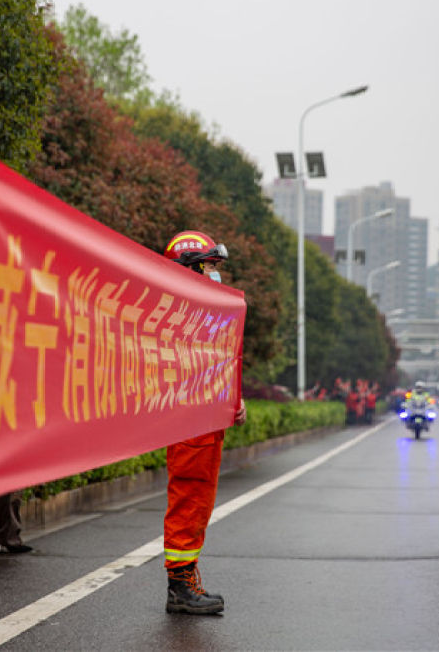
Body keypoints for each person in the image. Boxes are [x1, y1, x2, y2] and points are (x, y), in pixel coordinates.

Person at [162, 230, 247, 615]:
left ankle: (186, 579)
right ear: (191, 269)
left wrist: (233, 400)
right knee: (189, 498)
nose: (216, 274)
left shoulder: (200, 315)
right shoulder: (176, 317)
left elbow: (213, 365)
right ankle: (180, 587)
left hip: (205, 421)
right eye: (210, 266)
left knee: (199, 501)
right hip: (189, 422)